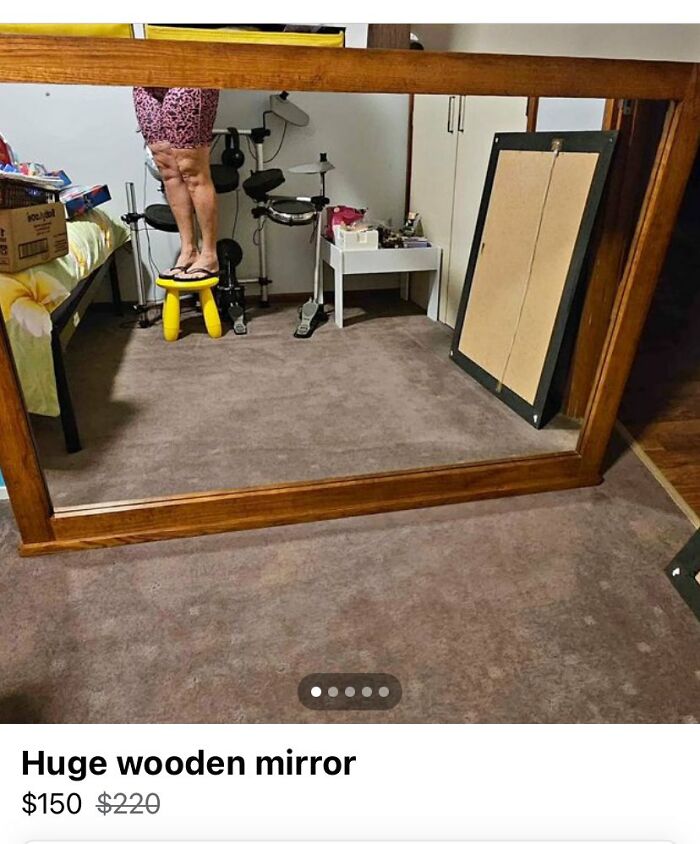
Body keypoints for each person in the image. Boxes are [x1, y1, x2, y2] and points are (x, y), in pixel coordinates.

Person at [133, 86, 220, 281]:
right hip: (145, 78)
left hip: (187, 73)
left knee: (192, 168)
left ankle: (209, 255)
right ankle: (188, 251)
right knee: (167, 167)